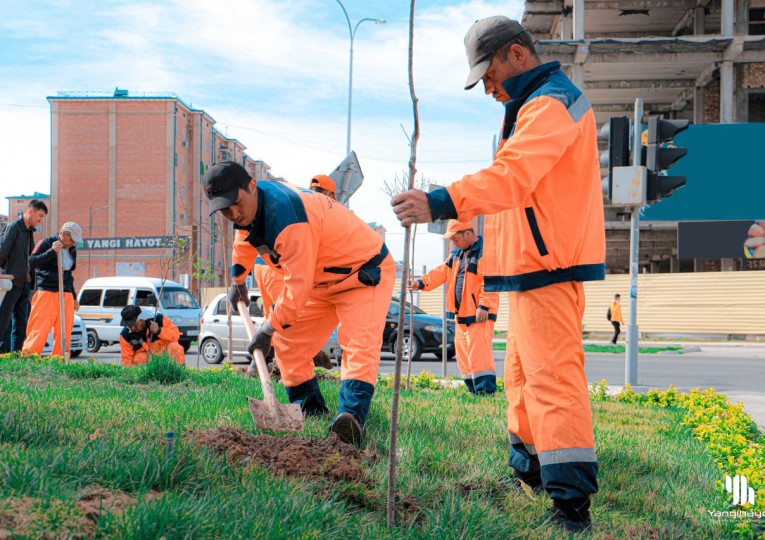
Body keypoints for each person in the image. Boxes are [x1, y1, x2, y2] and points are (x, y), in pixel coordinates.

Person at [391, 16, 605, 532]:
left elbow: (511, 178)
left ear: (516, 54)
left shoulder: (551, 103)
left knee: (552, 382)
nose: (488, 87)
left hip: (548, 268)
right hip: (529, 269)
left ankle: (572, 504)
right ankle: (529, 469)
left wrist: (440, 200)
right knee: (522, 379)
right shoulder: (531, 106)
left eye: (488, 74)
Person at [203, 160, 394, 446]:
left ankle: (350, 419)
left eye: (236, 203)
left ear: (252, 186)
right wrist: (238, 280)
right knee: (288, 343)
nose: (233, 214)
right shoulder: (248, 214)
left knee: (358, 343)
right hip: (322, 281)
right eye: (224, 209)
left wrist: (267, 330)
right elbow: (243, 241)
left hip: (363, 273)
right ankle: (311, 409)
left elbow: (297, 287)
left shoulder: (289, 218)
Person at [408, 220, 498, 394]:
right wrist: (421, 282)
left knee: (479, 356)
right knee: (464, 357)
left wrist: (484, 306)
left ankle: (485, 393)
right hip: (461, 316)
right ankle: (474, 391)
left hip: (479, 315)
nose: (453, 243)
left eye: (455, 239)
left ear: (467, 233)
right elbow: (441, 272)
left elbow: (491, 281)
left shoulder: (484, 252)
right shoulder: (456, 254)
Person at [22, 221, 82, 357]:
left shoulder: (72, 249)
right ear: (64, 234)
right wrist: (52, 251)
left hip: (65, 293)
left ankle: (59, 360)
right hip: (47, 291)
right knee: (39, 328)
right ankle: (29, 358)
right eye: (72, 240)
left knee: (65, 330)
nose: (73, 243)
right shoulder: (47, 243)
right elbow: (32, 262)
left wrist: (74, 297)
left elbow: (68, 275)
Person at [0, 199, 48, 353]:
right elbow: (2, 252)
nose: (40, 220)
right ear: (30, 212)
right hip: (12, 282)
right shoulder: (14, 227)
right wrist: (5, 275)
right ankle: (3, 355)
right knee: (4, 322)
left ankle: (15, 357)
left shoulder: (29, 232)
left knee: (21, 324)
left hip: (25, 284)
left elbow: (28, 257)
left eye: (42, 217)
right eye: (39, 216)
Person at [118, 304, 185, 366]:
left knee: (174, 347)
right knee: (139, 358)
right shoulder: (125, 336)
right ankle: (148, 377)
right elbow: (127, 360)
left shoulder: (159, 319)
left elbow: (175, 335)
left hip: (165, 354)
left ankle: (179, 372)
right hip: (148, 360)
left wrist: (159, 331)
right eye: (129, 325)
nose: (132, 328)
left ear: (142, 318)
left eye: (134, 324)